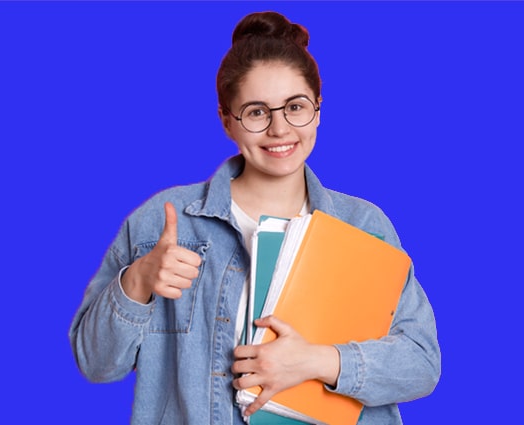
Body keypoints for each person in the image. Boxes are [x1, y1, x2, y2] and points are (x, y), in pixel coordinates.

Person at [69, 11, 440, 425]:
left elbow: (421, 363)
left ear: (318, 110)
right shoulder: (162, 222)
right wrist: (137, 281)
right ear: (227, 120)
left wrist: (317, 361)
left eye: (295, 107)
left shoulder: (364, 225)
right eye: (257, 111)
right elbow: (95, 364)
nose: (280, 128)